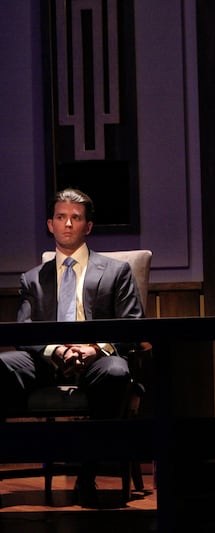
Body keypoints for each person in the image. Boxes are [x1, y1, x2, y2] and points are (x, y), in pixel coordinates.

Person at [0, 188, 144, 506]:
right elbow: (24, 331)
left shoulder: (116, 271)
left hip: (97, 360)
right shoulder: (32, 278)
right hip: (47, 362)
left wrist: (95, 349)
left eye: (75, 218)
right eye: (61, 217)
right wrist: (57, 350)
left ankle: (87, 474)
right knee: (2, 366)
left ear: (88, 226)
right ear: (50, 224)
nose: (67, 224)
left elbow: (133, 326)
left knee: (117, 372)